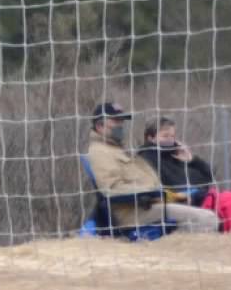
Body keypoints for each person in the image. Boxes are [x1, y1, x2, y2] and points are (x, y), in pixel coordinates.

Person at [84, 101, 217, 235]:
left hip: (150, 205)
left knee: (204, 211)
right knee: (207, 218)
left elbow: (207, 176)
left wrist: (173, 195)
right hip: (134, 213)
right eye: (116, 121)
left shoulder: (115, 149)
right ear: (100, 126)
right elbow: (112, 189)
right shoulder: (100, 152)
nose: (121, 125)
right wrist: (152, 194)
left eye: (122, 121)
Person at [139, 117, 231, 235]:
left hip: (203, 196)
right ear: (150, 138)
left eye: (172, 136)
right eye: (165, 136)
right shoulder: (146, 159)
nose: (170, 140)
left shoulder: (175, 156)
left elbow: (208, 177)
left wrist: (192, 160)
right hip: (187, 201)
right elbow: (177, 184)